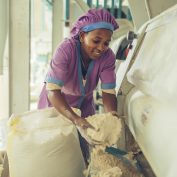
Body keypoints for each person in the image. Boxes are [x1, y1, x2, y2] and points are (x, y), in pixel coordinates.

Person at [38, 8, 119, 164]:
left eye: (106, 43)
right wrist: (75, 119)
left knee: (83, 153)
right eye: (96, 41)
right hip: (56, 106)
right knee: (55, 153)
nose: (101, 47)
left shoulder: (107, 57)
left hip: (84, 106)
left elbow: (108, 92)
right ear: (82, 36)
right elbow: (53, 91)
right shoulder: (66, 50)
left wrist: (112, 118)